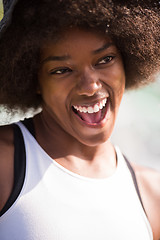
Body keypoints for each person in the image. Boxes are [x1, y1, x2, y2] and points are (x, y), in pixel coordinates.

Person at [0, 0, 160, 239]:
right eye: (62, 70)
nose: (90, 86)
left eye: (105, 59)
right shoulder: (5, 164)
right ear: (34, 80)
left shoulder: (152, 194)